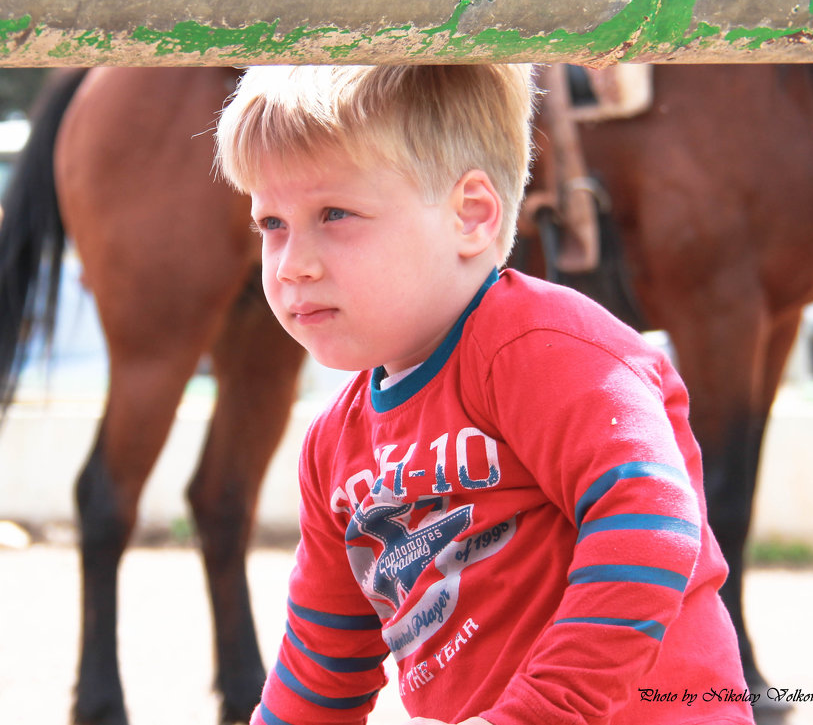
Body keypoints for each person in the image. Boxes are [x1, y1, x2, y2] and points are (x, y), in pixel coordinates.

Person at [214, 64, 754, 725]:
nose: (292, 262)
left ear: (470, 215)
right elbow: (320, 667)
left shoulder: (543, 347)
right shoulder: (335, 446)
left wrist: (538, 712)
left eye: (334, 213)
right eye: (271, 221)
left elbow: (649, 520)